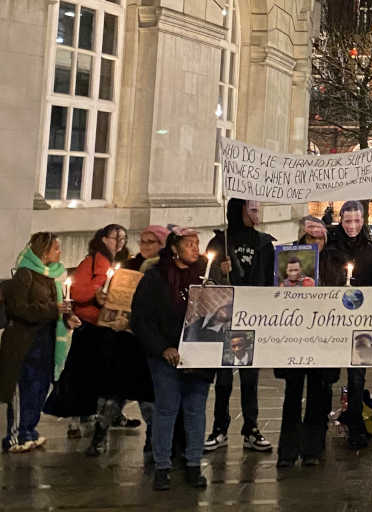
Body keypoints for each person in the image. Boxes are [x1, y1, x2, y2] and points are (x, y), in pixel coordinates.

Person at [47, 224, 154, 458]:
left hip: (116, 329)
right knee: (93, 379)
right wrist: (96, 293)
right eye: (115, 237)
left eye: (124, 238)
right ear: (103, 239)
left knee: (115, 384)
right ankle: (85, 422)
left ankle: (114, 424)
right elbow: (78, 290)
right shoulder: (93, 261)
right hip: (94, 328)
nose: (120, 242)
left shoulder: (128, 262)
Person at [130, 228, 211, 491]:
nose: (195, 248)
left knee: (196, 411)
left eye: (197, 243)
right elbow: (141, 318)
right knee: (166, 410)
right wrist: (162, 347)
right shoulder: (156, 277)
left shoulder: (207, 276)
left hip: (199, 357)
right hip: (166, 357)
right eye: (189, 244)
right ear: (175, 248)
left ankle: (193, 464)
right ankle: (162, 466)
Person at [204, 198, 274, 454]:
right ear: (238, 211)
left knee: (250, 377)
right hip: (226, 317)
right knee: (223, 377)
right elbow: (207, 280)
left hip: (253, 315)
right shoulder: (220, 243)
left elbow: (270, 280)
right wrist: (220, 273)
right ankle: (219, 428)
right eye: (251, 209)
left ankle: (251, 428)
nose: (256, 214)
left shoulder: (264, 243)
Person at [0, 233, 78, 452]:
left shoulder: (53, 276)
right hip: (23, 343)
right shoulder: (25, 275)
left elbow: (58, 308)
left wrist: (68, 318)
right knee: (21, 388)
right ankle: (15, 435)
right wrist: (54, 310)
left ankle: (29, 430)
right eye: (56, 249)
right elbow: (19, 309)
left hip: (45, 342)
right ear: (44, 252)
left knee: (38, 387)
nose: (60, 253)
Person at [275, 218, 343, 468]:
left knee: (318, 393)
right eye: (309, 239)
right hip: (295, 336)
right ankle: (288, 450)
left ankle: (312, 448)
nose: (314, 243)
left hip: (323, 336)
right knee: (292, 395)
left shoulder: (334, 262)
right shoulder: (290, 262)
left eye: (318, 239)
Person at [327, 199, 372, 450]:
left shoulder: (371, 250)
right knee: (327, 373)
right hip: (334, 320)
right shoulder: (330, 247)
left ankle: (357, 424)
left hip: (364, 321)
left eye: (357, 221)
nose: (352, 226)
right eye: (347, 221)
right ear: (341, 220)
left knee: (359, 375)